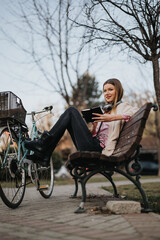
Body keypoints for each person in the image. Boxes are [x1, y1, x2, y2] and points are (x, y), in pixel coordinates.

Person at [24, 78, 138, 166]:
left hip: (98, 149)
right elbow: (101, 135)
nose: (107, 93)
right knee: (70, 114)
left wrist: (112, 118)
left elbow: (136, 112)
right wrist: (94, 128)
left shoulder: (123, 106)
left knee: (72, 111)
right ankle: (45, 153)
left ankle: (43, 147)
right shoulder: (106, 111)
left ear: (118, 90)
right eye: (104, 91)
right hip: (93, 143)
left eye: (110, 90)